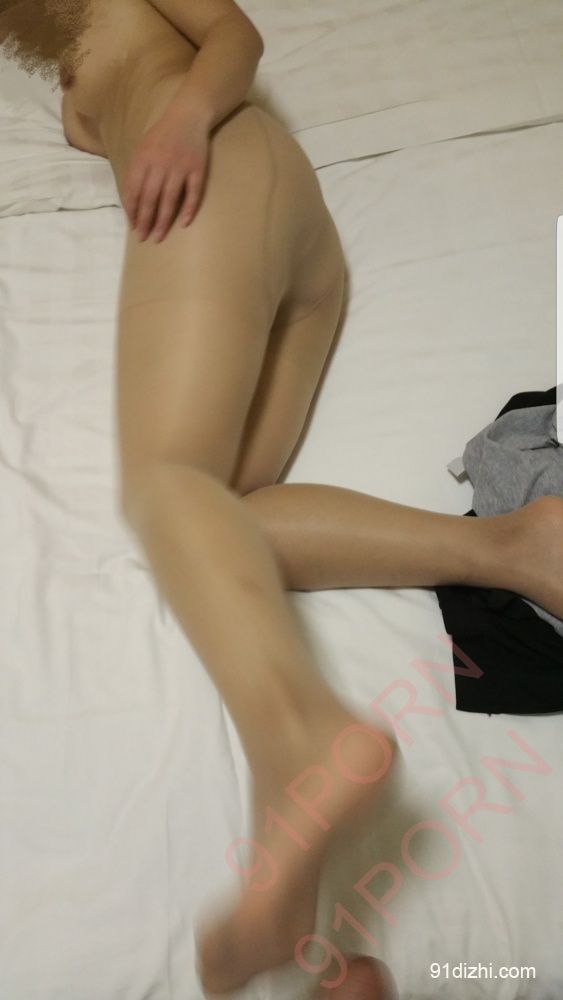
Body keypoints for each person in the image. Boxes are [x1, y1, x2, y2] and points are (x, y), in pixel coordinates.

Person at [2, 2, 562, 997]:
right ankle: (320, 951)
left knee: (164, 485)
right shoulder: (63, 81)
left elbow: (237, 37)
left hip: (221, 168)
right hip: (287, 248)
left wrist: (182, 122)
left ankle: (300, 744)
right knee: (220, 526)